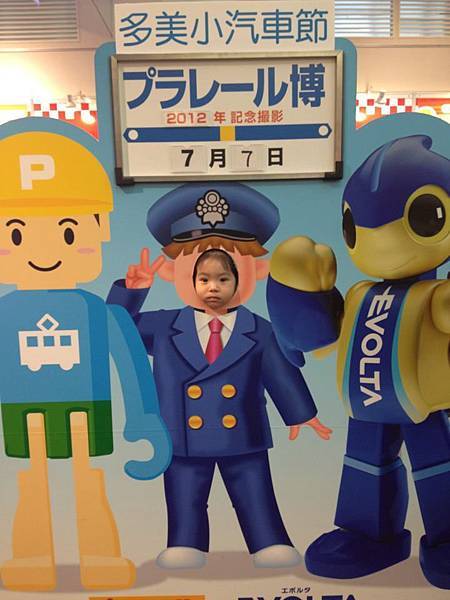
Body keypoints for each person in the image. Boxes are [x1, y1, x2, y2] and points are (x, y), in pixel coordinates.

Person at [108, 182, 331, 570]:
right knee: (185, 491)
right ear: (187, 279)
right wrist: (131, 291)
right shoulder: (164, 327)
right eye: (203, 279)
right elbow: (115, 328)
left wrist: (301, 413)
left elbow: (278, 371)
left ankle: (269, 541)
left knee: (254, 489)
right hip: (182, 434)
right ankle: (185, 543)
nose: (213, 288)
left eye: (224, 279)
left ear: (244, 277)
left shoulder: (259, 330)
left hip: (242, 432)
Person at [266, 136, 450, 589]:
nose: (379, 238)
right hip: (366, 405)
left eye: (424, 216)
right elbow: (316, 335)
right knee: (364, 465)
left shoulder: (438, 296)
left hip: (426, 405)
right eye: (354, 225)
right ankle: (368, 533)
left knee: (438, 464)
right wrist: (297, 293)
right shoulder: (360, 294)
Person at [0, 130, 171, 591]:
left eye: (68, 231)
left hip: (86, 409)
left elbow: (130, 362)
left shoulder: (97, 311)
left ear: (100, 231)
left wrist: (144, 418)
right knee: (32, 480)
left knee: (87, 479)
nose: (42, 250)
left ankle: (99, 555)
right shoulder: (5, 314)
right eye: (16, 233)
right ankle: (32, 557)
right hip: (23, 411)